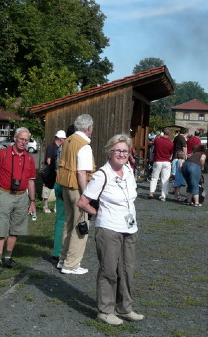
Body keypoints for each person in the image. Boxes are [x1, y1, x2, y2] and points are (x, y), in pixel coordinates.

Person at [77, 134, 144, 326]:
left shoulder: (129, 171)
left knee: (127, 269)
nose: (122, 154)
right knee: (109, 270)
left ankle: (125, 308)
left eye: (125, 150)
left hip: (129, 228)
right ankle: (105, 310)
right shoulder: (101, 175)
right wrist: (99, 213)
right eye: (118, 150)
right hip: (109, 228)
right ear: (109, 152)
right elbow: (82, 202)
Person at [0, 127, 37, 275]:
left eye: (26, 140)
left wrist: (33, 201)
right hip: (4, 194)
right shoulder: (2, 154)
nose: (24, 142)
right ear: (15, 138)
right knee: (1, 228)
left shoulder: (29, 158)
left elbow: (31, 181)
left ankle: (8, 258)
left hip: (22, 196)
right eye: (21, 139)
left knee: (16, 228)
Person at [55, 114, 95, 275]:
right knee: (80, 225)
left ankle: (63, 259)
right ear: (89, 128)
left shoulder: (68, 141)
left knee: (68, 223)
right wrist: (86, 195)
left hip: (65, 185)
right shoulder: (84, 145)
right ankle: (71, 264)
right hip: (77, 187)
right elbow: (81, 172)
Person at [50, 124, 75, 263]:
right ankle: (62, 250)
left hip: (58, 183)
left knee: (60, 219)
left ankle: (57, 250)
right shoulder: (72, 148)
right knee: (67, 219)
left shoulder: (60, 148)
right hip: (67, 184)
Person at [41, 130, 66, 213]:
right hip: (49, 171)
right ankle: (45, 206)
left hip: (57, 171)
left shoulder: (61, 148)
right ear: (60, 139)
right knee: (47, 188)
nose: (65, 140)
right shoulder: (51, 146)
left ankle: (56, 207)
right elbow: (48, 160)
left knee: (57, 189)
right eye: (64, 138)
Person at [147, 127, 173, 201]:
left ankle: (151, 192)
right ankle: (163, 196)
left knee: (154, 177)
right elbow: (171, 153)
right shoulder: (171, 143)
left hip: (157, 160)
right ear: (169, 134)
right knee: (165, 179)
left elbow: (153, 142)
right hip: (167, 162)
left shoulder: (157, 140)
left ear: (162, 133)